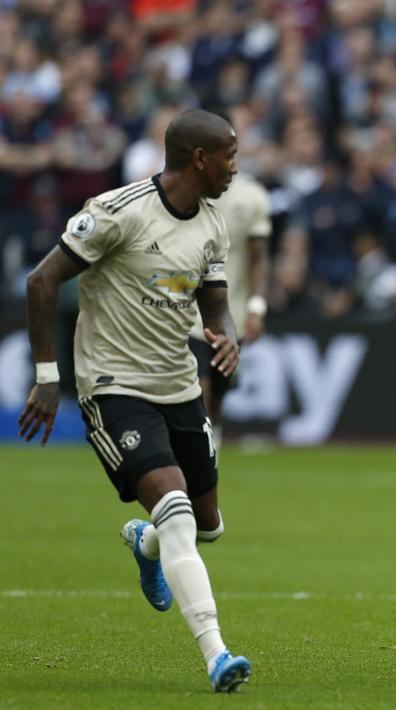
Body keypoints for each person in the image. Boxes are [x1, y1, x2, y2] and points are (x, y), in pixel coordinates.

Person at [18, 109, 252, 692]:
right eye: (228, 154)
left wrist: (224, 334)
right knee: (174, 510)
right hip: (113, 387)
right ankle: (218, 654)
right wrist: (49, 377)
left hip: (179, 385)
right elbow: (41, 281)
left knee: (208, 525)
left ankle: (146, 547)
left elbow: (214, 301)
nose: (235, 166)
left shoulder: (213, 224)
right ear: (199, 158)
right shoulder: (114, 213)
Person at [189, 170, 272, 435]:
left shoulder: (252, 196)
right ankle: (195, 457)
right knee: (199, 389)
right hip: (185, 312)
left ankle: (210, 451)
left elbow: (258, 258)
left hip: (229, 314)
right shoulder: (182, 192)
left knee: (216, 398)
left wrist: (256, 307)